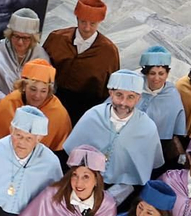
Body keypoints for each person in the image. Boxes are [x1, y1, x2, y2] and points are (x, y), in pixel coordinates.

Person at [63, 70, 162, 206]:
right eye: (119, 95)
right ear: (111, 93)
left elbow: (138, 173)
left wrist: (111, 197)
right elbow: (73, 158)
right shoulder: (92, 116)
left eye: (130, 97)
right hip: (82, 182)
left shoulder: (148, 128)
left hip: (121, 191)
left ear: (138, 98)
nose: (123, 102)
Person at [42, 0, 120, 122]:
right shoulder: (57, 38)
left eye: (92, 23)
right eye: (83, 22)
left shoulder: (109, 52)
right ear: (77, 19)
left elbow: (111, 87)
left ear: (99, 22)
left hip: (84, 108)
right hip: (50, 98)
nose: (87, 28)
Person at [0, 60, 73, 150]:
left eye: (43, 91)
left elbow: (60, 151)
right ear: (24, 86)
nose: (37, 96)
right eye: (33, 89)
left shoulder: (58, 113)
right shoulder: (9, 103)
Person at [138, 46, 188, 172]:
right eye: (152, 73)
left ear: (167, 74)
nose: (156, 78)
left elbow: (177, 124)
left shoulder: (172, 94)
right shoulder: (134, 88)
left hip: (159, 145)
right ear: (146, 74)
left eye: (161, 74)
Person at [0, 8, 44, 98]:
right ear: (10, 35)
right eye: (16, 36)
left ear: (34, 38)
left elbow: (47, 88)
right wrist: (1, 98)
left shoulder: (41, 56)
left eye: (26, 38)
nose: (20, 42)